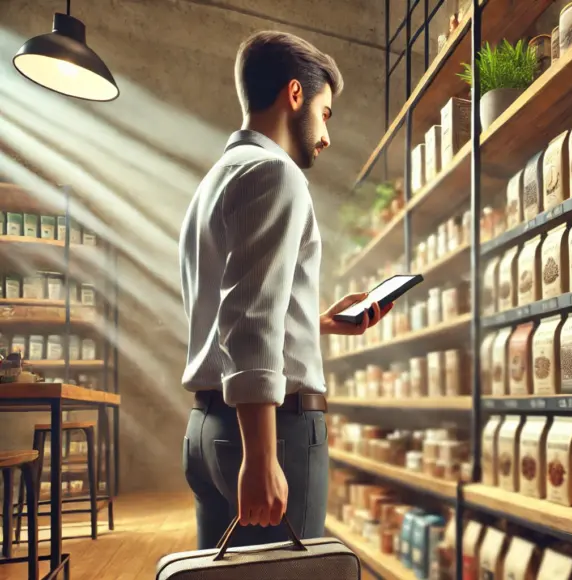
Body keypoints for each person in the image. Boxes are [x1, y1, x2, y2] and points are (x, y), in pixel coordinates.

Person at [178, 30, 390, 550]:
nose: (326, 135)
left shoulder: (213, 183)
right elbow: (248, 315)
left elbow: (229, 305)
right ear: (295, 94)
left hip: (207, 430)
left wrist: (314, 321)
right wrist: (261, 457)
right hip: (271, 433)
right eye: (326, 111)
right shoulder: (277, 173)